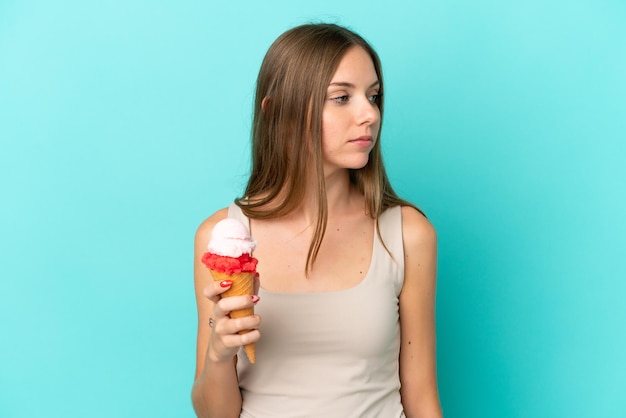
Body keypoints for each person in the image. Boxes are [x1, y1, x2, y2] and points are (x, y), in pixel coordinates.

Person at [191, 23, 442, 418]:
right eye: (341, 97)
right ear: (277, 113)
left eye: (373, 96)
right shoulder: (220, 236)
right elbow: (212, 414)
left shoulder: (408, 234)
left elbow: (422, 396)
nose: (369, 114)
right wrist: (220, 354)